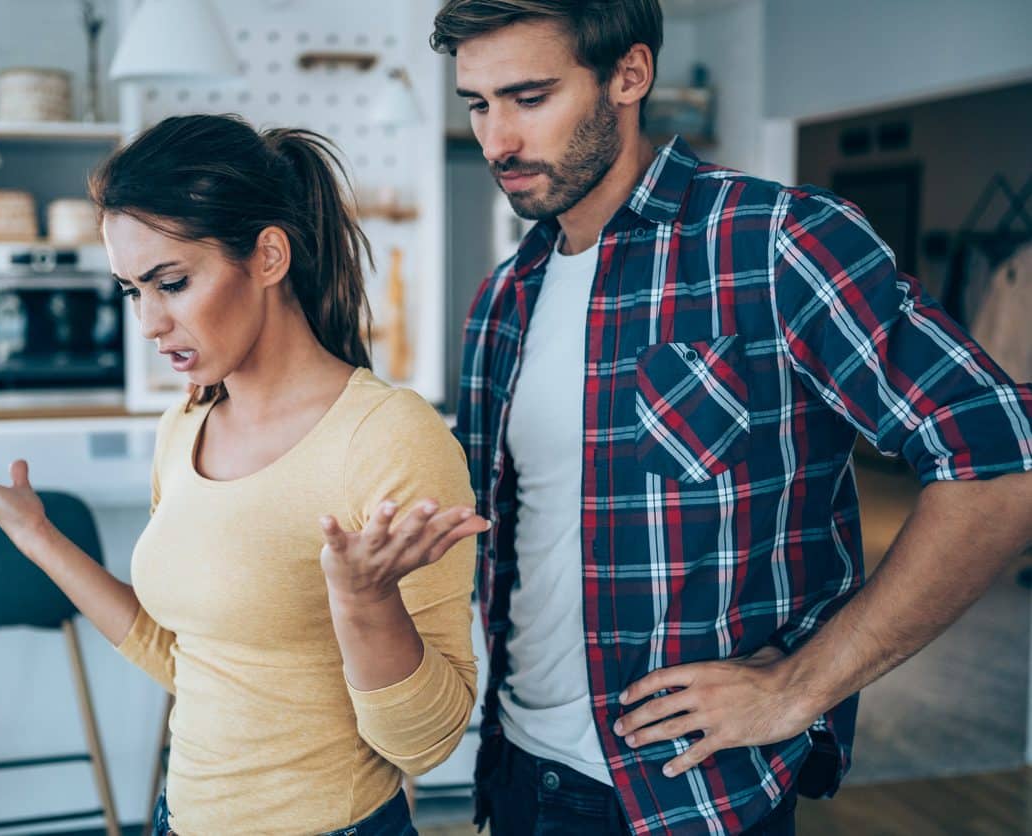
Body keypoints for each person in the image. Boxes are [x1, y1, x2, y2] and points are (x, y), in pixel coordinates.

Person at [430, 1, 1032, 834]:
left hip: (689, 796)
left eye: (529, 98)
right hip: (518, 777)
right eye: (478, 103)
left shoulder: (776, 241)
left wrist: (800, 686)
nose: (497, 139)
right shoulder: (503, 301)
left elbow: (999, 460)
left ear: (629, 76)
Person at [0, 113, 488, 836]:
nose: (148, 322)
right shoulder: (184, 427)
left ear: (269, 256)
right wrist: (39, 538)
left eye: (172, 283)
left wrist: (366, 605)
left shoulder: (389, 436)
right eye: (132, 290)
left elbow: (425, 745)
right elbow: (192, 663)